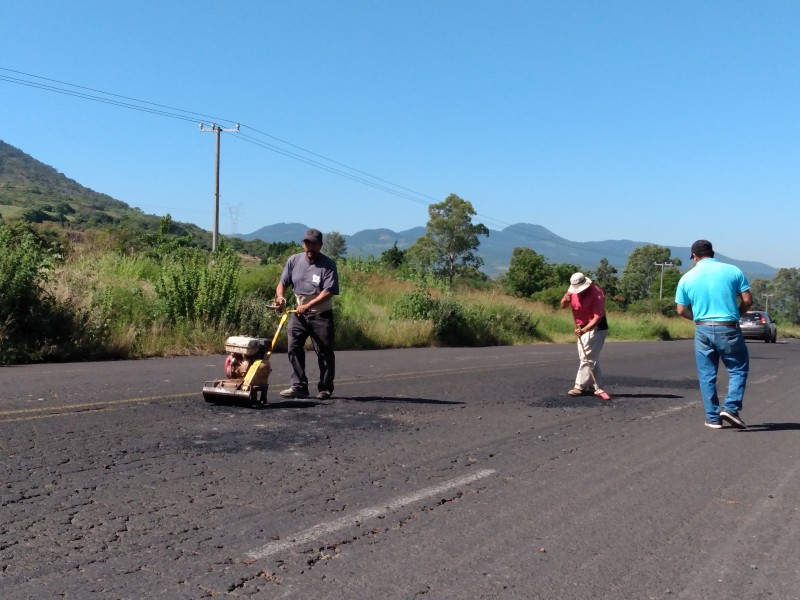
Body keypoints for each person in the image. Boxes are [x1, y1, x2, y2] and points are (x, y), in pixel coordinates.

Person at [675, 239, 752, 429]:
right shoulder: (733, 271)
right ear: (712, 253)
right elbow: (748, 300)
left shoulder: (687, 277)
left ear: (694, 256)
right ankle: (731, 407)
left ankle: (712, 417)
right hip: (728, 326)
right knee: (737, 369)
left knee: (707, 374)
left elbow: (681, 310)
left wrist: (697, 318)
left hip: (702, 328)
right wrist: (737, 314)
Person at [275, 228, 340, 400]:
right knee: (294, 347)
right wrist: (280, 297)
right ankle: (298, 386)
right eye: (307, 243)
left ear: (320, 245)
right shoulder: (294, 260)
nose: (310, 246)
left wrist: (309, 304)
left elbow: (329, 291)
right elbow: (282, 283)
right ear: (303, 244)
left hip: (321, 314)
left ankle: (325, 388)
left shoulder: (328, 264)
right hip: (299, 314)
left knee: (324, 352)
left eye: (314, 243)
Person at [560, 272, 609, 397]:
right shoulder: (572, 290)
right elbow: (563, 306)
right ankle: (597, 387)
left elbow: (597, 318)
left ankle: (579, 387)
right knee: (587, 358)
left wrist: (583, 330)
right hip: (581, 327)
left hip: (596, 328)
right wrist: (565, 300)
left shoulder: (597, 294)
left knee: (588, 357)